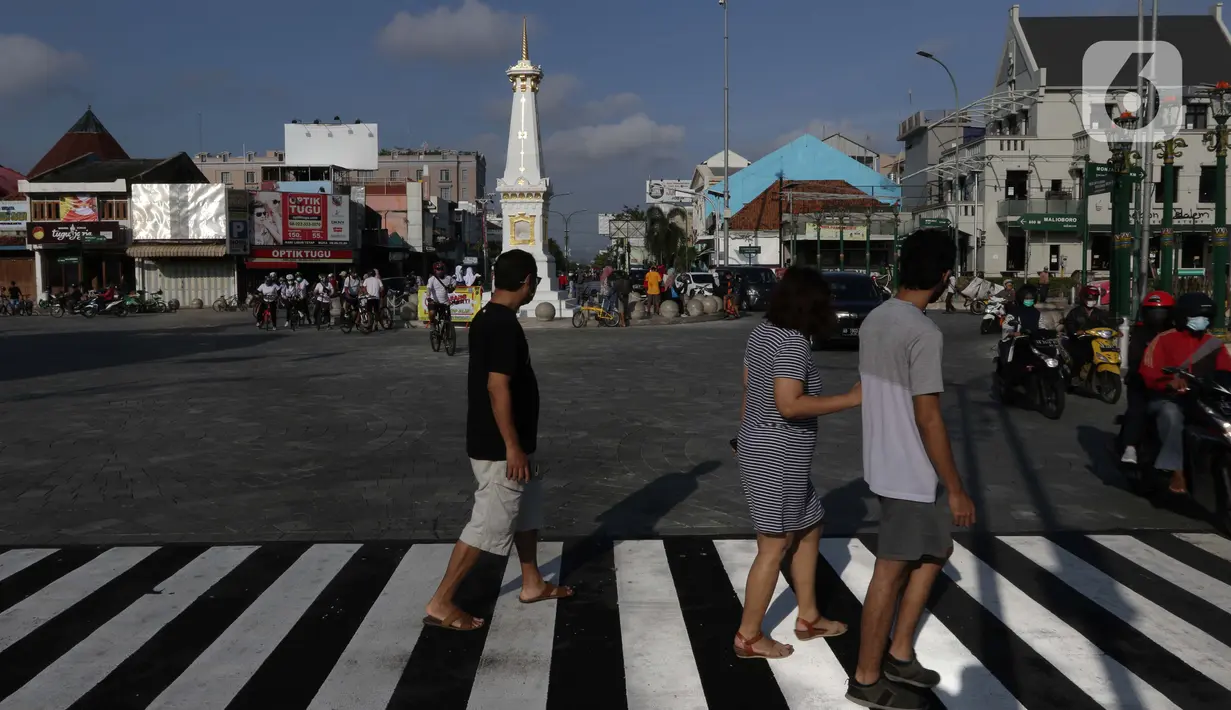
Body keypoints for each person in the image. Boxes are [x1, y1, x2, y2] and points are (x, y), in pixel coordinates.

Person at [849, 229, 975, 710]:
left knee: (936, 549)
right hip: (911, 470)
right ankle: (865, 677)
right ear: (944, 277)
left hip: (885, 461)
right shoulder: (922, 331)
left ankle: (900, 652)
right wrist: (958, 488)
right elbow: (928, 415)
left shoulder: (877, 318)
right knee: (891, 571)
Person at [424, 249, 572, 631]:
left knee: (526, 511)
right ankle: (441, 602)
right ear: (526, 281)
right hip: (500, 447)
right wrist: (512, 446)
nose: (534, 287)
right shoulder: (503, 325)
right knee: (488, 525)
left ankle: (532, 582)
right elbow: (497, 387)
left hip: (508, 441)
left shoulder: (488, 317)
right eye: (535, 281)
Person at [733, 267, 858, 660]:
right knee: (775, 545)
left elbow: (749, 387)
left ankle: (808, 617)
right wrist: (852, 399)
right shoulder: (792, 344)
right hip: (779, 454)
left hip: (763, 446)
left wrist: (745, 433)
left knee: (810, 524)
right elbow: (790, 405)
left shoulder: (763, 332)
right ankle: (749, 636)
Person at [1139, 292, 1231, 494]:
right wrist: (1170, 382)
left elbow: (1226, 371)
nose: (1202, 320)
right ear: (1183, 316)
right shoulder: (1164, 340)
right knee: (1171, 416)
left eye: (1206, 317)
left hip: (1204, 399)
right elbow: (1148, 371)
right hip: (1169, 398)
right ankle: (1176, 470)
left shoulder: (1214, 344)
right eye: (1197, 316)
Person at [1122, 291, 1175, 465]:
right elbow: (1135, 357)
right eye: (1153, 311)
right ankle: (1130, 447)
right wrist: (1141, 373)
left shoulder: (1176, 334)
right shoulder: (1141, 333)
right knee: (1137, 410)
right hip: (1143, 382)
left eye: (1162, 311)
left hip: (1172, 384)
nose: (1157, 316)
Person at [997, 284, 1042, 384]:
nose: (1029, 300)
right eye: (1026, 298)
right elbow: (1006, 326)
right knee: (1009, 363)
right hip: (1017, 343)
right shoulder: (1014, 312)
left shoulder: (1037, 313)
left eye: (1031, 298)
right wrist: (1013, 333)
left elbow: (1043, 326)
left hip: (1034, 342)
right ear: (1021, 298)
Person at [1064, 285, 1111, 379]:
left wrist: (1115, 331)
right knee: (1080, 356)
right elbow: (1069, 324)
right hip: (1078, 342)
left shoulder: (1099, 313)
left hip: (1096, 341)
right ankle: (1075, 376)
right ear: (1083, 298)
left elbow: (1106, 324)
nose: (1092, 300)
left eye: (1094, 298)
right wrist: (1076, 331)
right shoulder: (1075, 312)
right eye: (1089, 298)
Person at [426, 262, 452, 328]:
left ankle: (448, 332)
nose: (440, 271)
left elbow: (454, 285)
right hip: (434, 301)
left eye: (441, 269)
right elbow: (428, 288)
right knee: (432, 313)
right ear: (435, 270)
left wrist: (451, 288)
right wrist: (428, 297)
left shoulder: (449, 278)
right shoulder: (432, 279)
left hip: (445, 302)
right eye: (438, 269)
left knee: (448, 319)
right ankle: (433, 322)